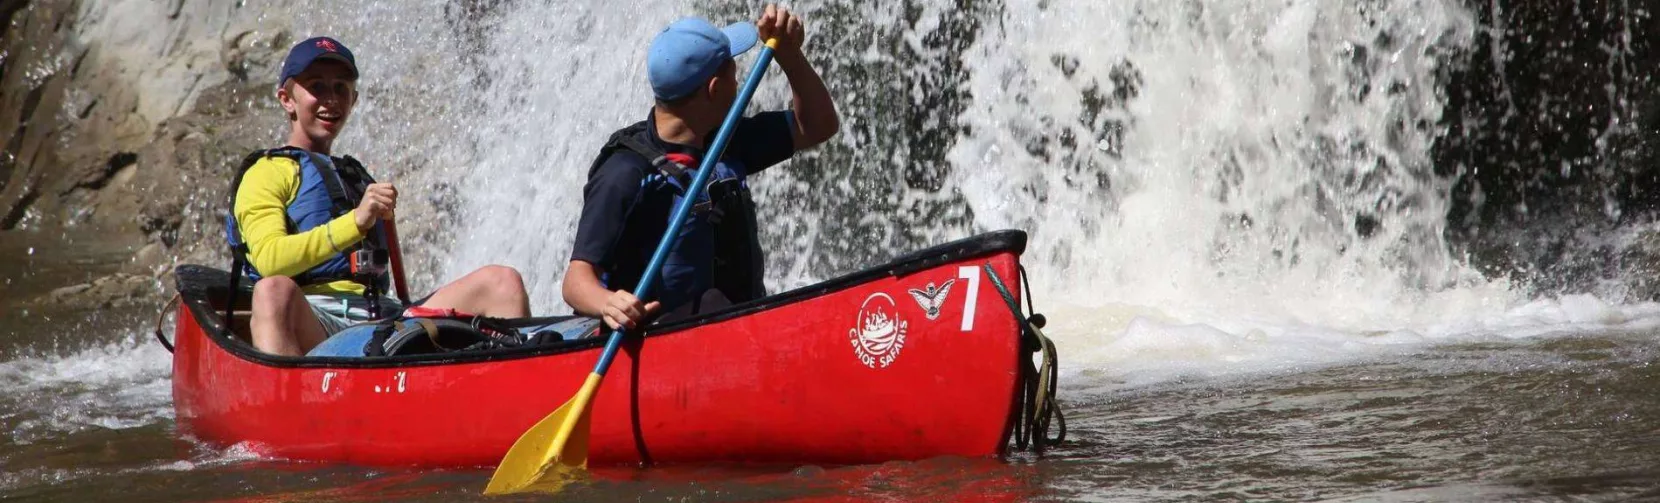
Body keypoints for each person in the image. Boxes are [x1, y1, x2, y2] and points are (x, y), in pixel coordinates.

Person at [226, 36, 530, 356]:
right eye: (317, 87)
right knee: (272, 291)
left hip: (384, 317)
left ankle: (524, 385)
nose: (331, 99)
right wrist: (355, 221)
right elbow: (269, 259)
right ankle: (291, 400)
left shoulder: (354, 176)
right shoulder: (267, 171)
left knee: (502, 282)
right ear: (287, 99)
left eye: (341, 88)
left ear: (354, 99)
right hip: (317, 318)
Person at [562, 5, 840, 331]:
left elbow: (819, 125)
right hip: (660, 337)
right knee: (713, 304)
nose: (739, 84)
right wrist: (608, 303)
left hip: (731, 328)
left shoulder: (725, 141)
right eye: (734, 74)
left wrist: (790, 57)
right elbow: (576, 280)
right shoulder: (626, 172)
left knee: (718, 306)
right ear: (715, 89)